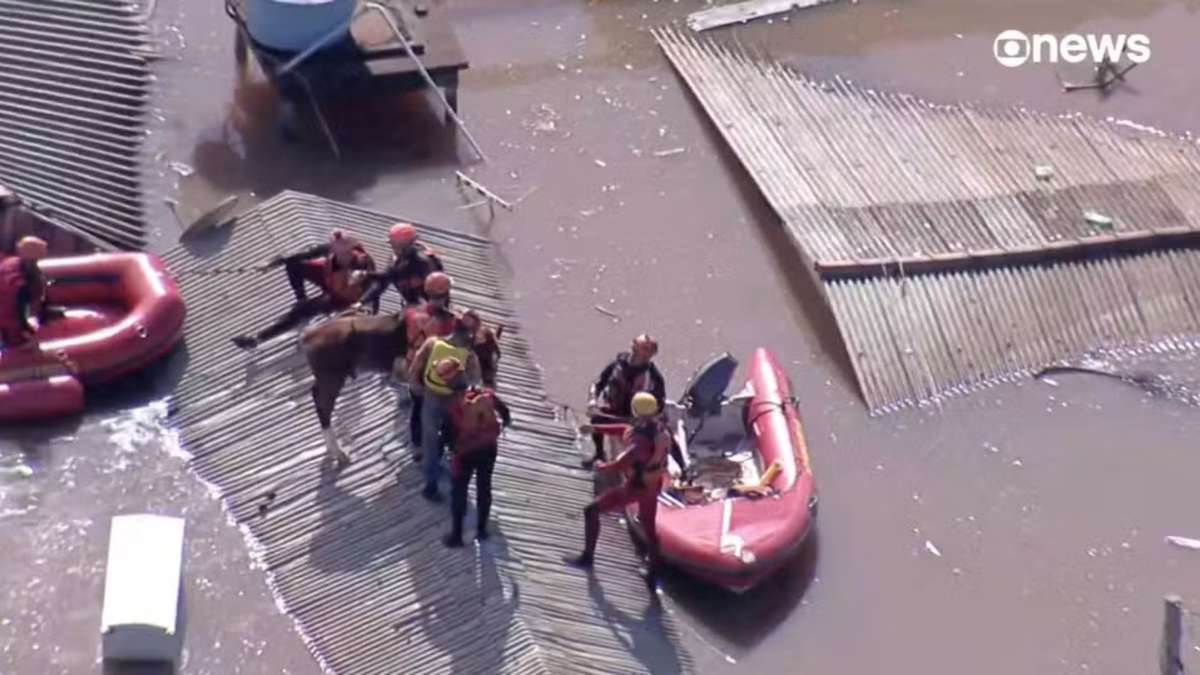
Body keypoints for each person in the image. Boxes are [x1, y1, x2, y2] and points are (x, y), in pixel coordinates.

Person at [566, 391, 670, 589]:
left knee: (591, 511)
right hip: (653, 485)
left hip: (636, 487)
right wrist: (596, 427)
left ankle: (587, 558)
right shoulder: (657, 429)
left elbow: (619, 465)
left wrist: (599, 465)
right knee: (649, 527)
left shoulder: (640, 442)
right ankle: (654, 572)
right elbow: (624, 429)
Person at [232, 229, 375, 350]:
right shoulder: (332, 250)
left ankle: (258, 339)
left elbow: (374, 289)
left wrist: (363, 306)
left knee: (302, 312)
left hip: (342, 297)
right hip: (329, 279)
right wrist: (272, 263)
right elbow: (303, 253)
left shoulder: (363, 263)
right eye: (334, 247)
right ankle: (301, 298)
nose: (336, 251)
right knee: (295, 263)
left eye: (341, 249)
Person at [408, 321, 482, 502]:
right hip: (454, 401)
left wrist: (419, 389)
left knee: (429, 441)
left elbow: (415, 368)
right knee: (455, 438)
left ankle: (430, 485)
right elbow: (475, 378)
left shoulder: (432, 343)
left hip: (431, 397)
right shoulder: (468, 354)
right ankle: (456, 478)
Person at [443, 383, 512, 547]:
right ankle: (482, 530)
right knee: (484, 487)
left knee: (459, 491)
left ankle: (457, 535)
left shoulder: (453, 408)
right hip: (488, 449)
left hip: (465, 454)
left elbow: (447, 436)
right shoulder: (485, 395)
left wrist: (451, 447)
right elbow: (505, 414)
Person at [400, 271, 461, 448]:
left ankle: (418, 445)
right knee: (449, 409)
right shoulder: (451, 320)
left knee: (417, 409)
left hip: (413, 368)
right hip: (439, 372)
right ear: (446, 294)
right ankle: (447, 442)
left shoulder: (411, 314)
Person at [586, 334, 666, 467]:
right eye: (643, 348)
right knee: (595, 421)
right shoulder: (617, 364)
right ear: (633, 345)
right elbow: (598, 383)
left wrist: (646, 419)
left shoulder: (653, 376)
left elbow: (660, 403)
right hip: (612, 410)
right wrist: (592, 400)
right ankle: (599, 454)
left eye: (649, 350)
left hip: (633, 418)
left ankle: (628, 466)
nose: (645, 353)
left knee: (638, 440)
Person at [358, 222, 444, 311]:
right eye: (393, 245)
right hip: (411, 304)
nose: (394, 249)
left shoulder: (424, 262)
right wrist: (362, 302)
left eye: (398, 246)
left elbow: (392, 274)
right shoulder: (395, 259)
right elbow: (383, 282)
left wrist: (367, 274)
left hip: (430, 307)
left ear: (408, 245)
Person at [0, 236, 63, 348]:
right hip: (7, 315)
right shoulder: (17, 283)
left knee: (39, 281)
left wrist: (44, 308)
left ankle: (43, 312)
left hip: (15, 304)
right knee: (16, 338)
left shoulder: (24, 266)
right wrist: (25, 327)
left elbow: (39, 285)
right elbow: (16, 307)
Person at [460, 309, 502, 388]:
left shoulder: (484, 335)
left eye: (468, 320)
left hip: (484, 371)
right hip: (469, 370)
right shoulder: (463, 334)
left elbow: (494, 357)